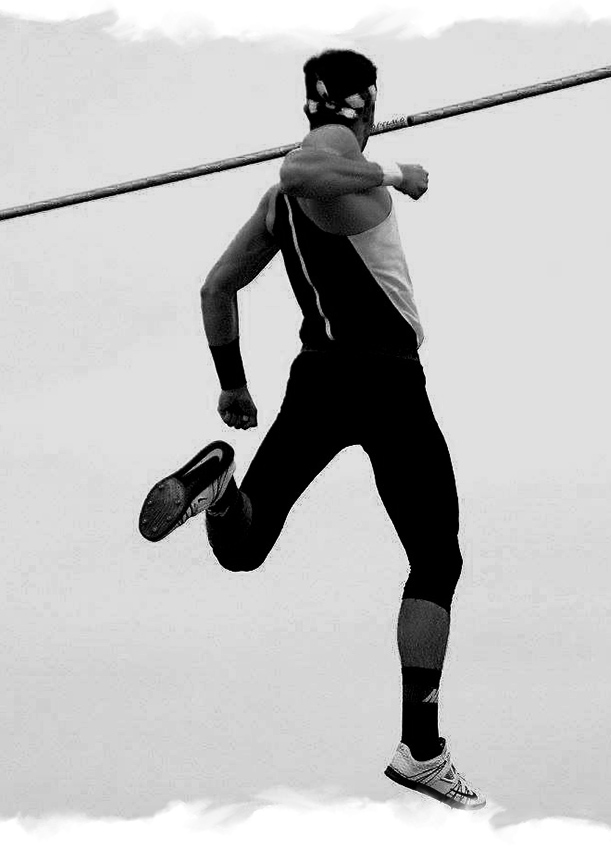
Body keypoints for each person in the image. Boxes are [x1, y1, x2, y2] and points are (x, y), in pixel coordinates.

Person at [138, 48, 486, 811]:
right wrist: (397, 174)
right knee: (436, 556)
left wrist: (232, 380)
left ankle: (221, 493)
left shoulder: (278, 203)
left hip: (320, 381)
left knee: (242, 546)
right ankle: (419, 746)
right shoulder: (324, 163)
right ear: (363, 101)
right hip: (387, 383)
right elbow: (304, 171)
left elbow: (217, 287)